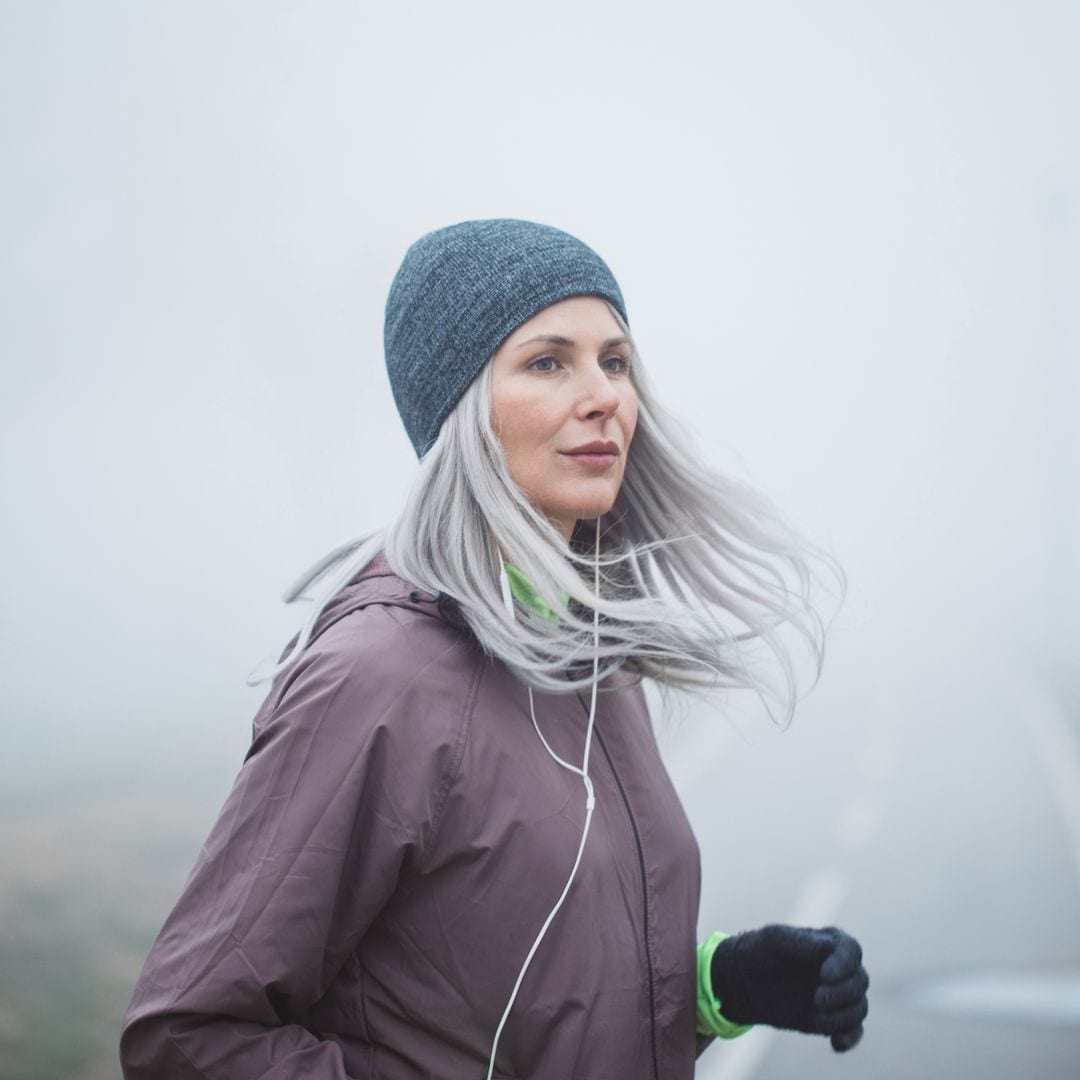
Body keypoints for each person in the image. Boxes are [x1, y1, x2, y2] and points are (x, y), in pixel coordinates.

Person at [120, 219, 869, 1079]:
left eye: (615, 361)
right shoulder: (378, 675)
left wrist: (713, 988)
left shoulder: (587, 653)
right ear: (461, 409)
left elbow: (513, 988)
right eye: (548, 361)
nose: (605, 397)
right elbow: (191, 1036)